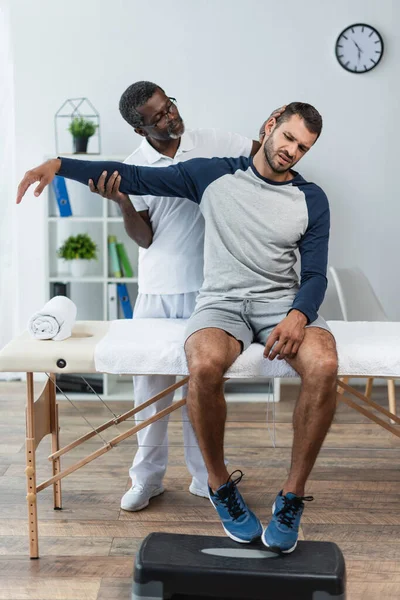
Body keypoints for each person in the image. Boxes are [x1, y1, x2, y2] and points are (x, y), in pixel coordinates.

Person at [17, 102, 338, 554]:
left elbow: (316, 275)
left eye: (303, 147)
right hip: (222, 303)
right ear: (270, 126)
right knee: (204, 363)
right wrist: (57, 165)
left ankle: (290, 498)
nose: (292, 151)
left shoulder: (312, 198)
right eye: (288, 138)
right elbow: (134, 177)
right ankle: (220, 486)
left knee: (324, 364)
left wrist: (299, 315)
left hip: (282, 305)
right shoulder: (212, 174)